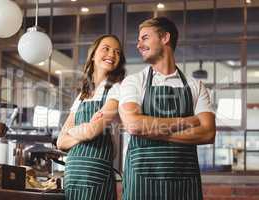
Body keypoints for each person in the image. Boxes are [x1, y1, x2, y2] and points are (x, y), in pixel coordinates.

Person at [119, 17, 216, 200]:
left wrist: (152, 130)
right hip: (141, 184)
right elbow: (134, 125)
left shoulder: (196, 86)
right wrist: (190, 121)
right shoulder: (133, 82)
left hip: (185, 185)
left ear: (165, 38)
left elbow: (208, 133)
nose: (139, 45)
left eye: (145, 38)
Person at [57, 34, 126, 200]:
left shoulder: (116, 89)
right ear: (93, 55)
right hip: (73, 173)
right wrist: (84, 130)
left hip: (96, 173)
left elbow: (92, 131)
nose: (112, 54)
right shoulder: (82, 96)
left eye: (117, 52)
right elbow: (60, 142)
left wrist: (73, 132)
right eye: (106, 49)